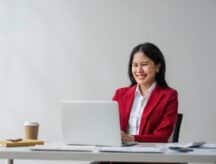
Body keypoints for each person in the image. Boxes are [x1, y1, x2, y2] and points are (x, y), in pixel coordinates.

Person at [113, 42, 178, 143]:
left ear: (157, 67)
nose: (139, 70)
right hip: (118, 155)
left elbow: (162, 136)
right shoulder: (120, 94)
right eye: (135, 65)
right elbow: (108, 128)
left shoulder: (169, 96)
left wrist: (131, 139)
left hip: (150, 156)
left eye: (144, 64)